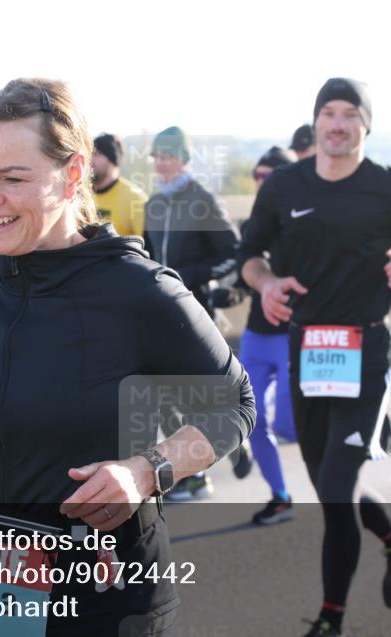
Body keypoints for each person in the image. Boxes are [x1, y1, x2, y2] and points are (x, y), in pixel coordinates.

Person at [0, 78, 256, 637]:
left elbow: (235, 406)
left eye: (14, 178)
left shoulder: (139, 290)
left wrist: (148, 471)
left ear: (71, 177)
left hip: (108, 594)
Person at [239, 78, 391, 637]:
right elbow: (251, 255)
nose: (337, 123)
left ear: (365, 126)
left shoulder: (388, 186)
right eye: (328, 113)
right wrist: (267, 283)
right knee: (333, 479)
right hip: (307, 348)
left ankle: (331, 631)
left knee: (331, 490)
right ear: (316, 122)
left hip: (366, 352)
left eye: (350, 114)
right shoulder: (283, 186)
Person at [143, 125, 243, 501]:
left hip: (196, 313)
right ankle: (187, 472)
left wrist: (194, 279)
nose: (161, 162)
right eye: (157, 156)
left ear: (183, 159)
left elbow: (233, 251)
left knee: (195, 398)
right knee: (164, 395)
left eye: (168, 155)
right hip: (160, 315)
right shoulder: (154, 204)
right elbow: (150, 255)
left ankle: (206, 465)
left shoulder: (200, 198)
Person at [238, 147, 298, 526]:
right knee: (250, 419)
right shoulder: (254, 223)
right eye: (256, 176)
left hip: (296, 336)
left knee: (289, 426)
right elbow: (244, 264)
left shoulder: (308, 221)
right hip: (257, 335)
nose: (261, 183)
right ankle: (280, 495)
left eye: (268, 176)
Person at [91, 133, 148, 237]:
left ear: (112, 159)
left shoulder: (136, 199)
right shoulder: (80, 197)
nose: (90, 160)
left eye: (96, 154)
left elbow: (147, 248)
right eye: (90, 154)